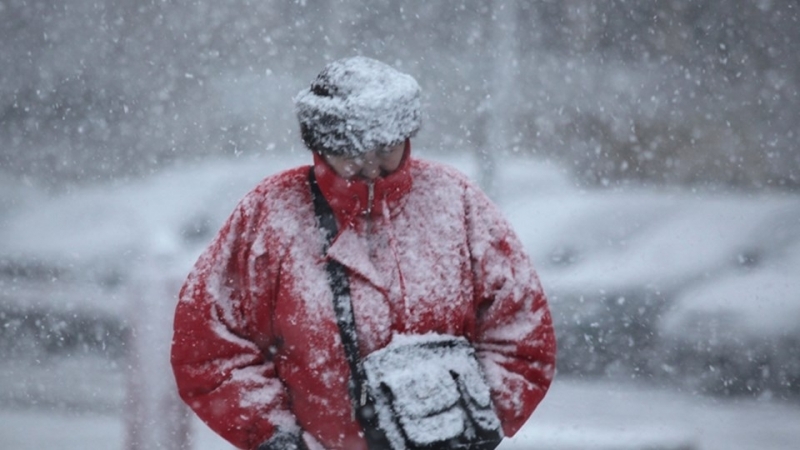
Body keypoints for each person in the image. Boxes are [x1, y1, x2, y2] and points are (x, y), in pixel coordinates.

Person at [171, 56, 556, 450]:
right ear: (320, 146)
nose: (371, 167)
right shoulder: (271, 216)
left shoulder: (457, 204)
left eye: (385, 149)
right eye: (351, 153)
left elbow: (522, 336)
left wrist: (474, 425)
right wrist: (279, 439)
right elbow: (209, 348)